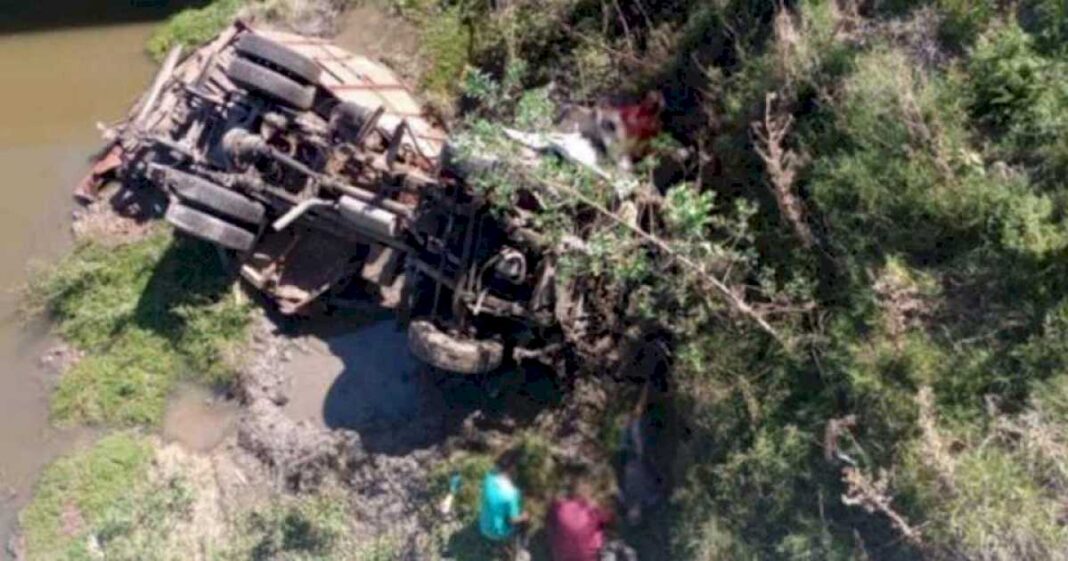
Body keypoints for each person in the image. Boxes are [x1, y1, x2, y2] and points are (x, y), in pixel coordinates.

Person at [547, 478, 614, 561]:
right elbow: (610, 518)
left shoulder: (558, 506)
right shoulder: (593, 507)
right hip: (588, 556)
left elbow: (550, 525)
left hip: (561, 556)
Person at [479, 449, 529, 551]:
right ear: (512, 468)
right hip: (496, 533)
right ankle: (520, 544)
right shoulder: (512, 493)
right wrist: (524, 516)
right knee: (524, 517)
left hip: (483, 526)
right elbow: (513, 520)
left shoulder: (489, 477)